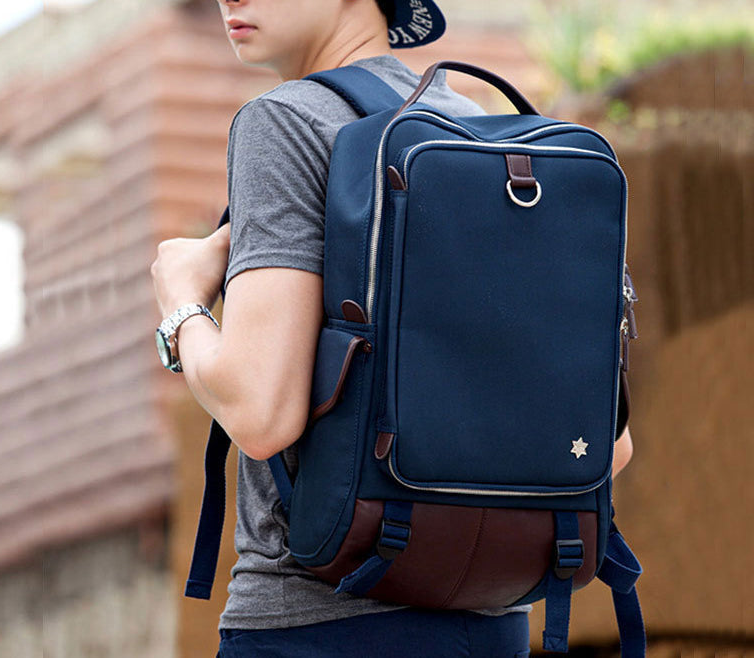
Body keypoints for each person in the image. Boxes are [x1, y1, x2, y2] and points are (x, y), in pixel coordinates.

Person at [150, 1, 635, 655]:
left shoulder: (285, 121)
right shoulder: (498, 137)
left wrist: (181, 304)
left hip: (318, 624)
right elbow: (611, 448)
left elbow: (262, 414)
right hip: (495, 625)